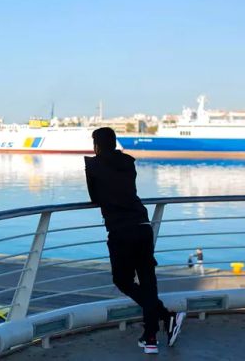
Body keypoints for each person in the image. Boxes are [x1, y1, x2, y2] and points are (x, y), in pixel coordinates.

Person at [85, 127, 185, 354]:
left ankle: (167, 317)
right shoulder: (128, 162)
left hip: (121, 231)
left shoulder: (93, 165)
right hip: (142, 225)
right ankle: (151, 338)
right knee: (148, 281)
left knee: (122, 280)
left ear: (97, 144)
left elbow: (95, 197)